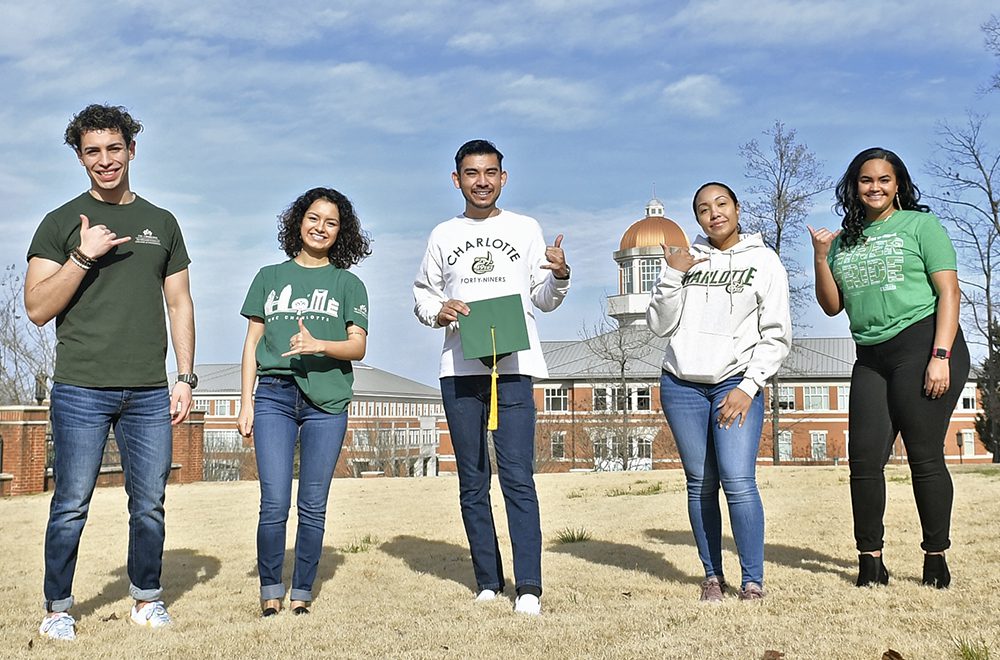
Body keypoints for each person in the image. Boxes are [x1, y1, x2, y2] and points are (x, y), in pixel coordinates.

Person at [25, 104, 196, 640]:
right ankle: (58, 609)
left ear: (132, 150)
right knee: (71, 504)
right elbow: (36, 307)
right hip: (80, 387)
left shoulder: (162, 223)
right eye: (92, 151)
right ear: (80, 158)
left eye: (114, 148)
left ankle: (146, 600)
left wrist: (185, 377)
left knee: (149, 504)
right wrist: (82, 256)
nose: (105, 160)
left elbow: (180, 304)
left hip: (148, 390)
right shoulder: (59, 222)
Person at [412, 140, 570, 615]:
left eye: (490, 172)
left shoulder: (524, 229)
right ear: (456, 179)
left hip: (515, 368)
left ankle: (528, 588)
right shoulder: (443, 234)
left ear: (504, 177)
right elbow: (423, 295)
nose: (481, 181)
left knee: (519, 478)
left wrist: (560, 276)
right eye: (471, 172)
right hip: (460, 370)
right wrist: (438, 312)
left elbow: (542, 299)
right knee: (472, 481)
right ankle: (487, 579)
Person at [809, 148, 970, 588]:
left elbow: (949, 293)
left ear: (898, 184)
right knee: (863, 461)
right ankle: (870, 561)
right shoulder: (844, 240)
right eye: (866, 180)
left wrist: (941, 357)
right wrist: (821, 256)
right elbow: (831, 305)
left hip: (923, 344)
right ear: (854, 186)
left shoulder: (921, 225)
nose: (874, 187)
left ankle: (935, 559)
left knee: (924, 455)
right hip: (870, 356)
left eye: (884, 179)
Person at [647, 182, 791, 603]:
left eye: (722, 204)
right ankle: (713, 577)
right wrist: (674, 273)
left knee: (739, 480)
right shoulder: (685, 260)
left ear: (737, 208)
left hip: (735, 383)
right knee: (700, 483)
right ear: (697, 218)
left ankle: (752, 581)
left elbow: (777, 334)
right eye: (704, 209)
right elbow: (659, 325)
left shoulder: (764, 261)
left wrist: (749, 386)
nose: (714, 214)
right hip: (681, 384)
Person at [237, 187, 370, 617]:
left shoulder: (348, 284)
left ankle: (302, 593)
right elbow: (252, 342)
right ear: (298, 221)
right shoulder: (268, 277)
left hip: (326, 402)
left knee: (313, 503)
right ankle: (270, 590)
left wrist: (319, 345)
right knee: (274, 501)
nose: (321, 227)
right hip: (273, 395)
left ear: (341, 232)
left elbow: (358, 347)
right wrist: (245, 402)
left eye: (331, 222)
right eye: (314, 218)